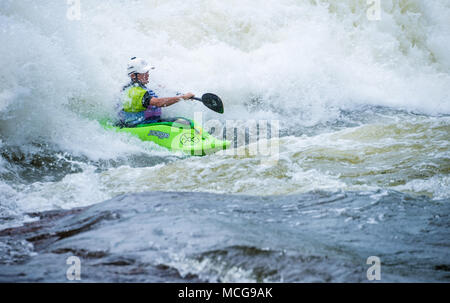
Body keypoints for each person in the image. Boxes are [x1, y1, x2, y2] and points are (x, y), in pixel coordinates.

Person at [116, 57, 195, 127]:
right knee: (184, 124)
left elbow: (165, 92)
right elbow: (158, 103)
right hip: (139, 125)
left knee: (186, 122)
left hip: (150, 122)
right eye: (144, 72)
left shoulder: (142, 87)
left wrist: (182, 95)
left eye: (147, 72)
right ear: (133, 75)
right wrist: (183, 97)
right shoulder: (134, 92)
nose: (147, 75)